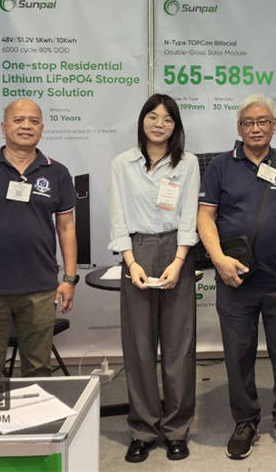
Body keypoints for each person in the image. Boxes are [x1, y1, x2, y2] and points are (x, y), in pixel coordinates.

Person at [197, 94, 276, 460]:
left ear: (274, 126)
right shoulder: (219, 166)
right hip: (235, 281)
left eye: (263, 121)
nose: (256, 128)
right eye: (248, 122)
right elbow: (205, 216)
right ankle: (245, 421)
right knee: (238, 354)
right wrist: (218, 260)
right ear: (239, 128)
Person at [0, 98, 78, 378]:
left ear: (42, 128)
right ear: (4, 126)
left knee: (38, 369)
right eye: (18, 120)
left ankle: (37, 410)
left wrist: (69, 279)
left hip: (40, 288)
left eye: (33, 121)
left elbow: (66, 228)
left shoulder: (57, 173)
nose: (26, 126)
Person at [108, 94, 200, 464]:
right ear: (142, 120)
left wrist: (179, 261)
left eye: (167, 119)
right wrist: (130, 262)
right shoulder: (123, 163)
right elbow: (118, 216)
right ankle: (143, 430)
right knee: (139, 346)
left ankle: (177, 429)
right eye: (153, 116)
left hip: (177, 251)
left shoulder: (187, 163)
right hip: (138, 251)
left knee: (179, 347)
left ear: (176, 126)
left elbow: (190, 214)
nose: (159, 124)